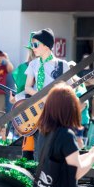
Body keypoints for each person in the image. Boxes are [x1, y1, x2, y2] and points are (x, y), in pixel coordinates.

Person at [24, 28, 70, 159]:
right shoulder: (33, 64)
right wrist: (41, 96)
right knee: (39, 149)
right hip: (38, 112)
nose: (33, 48)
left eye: (35, 44)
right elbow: (27, 87)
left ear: (46, 46)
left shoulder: (62, 65)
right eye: (32, 45)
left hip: (56, 112)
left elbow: (70, 88)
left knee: (56, 147)